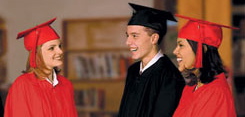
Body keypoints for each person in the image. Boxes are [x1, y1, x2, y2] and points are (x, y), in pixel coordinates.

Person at [118, 3, 185, 117]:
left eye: (135, 36)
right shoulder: (133, 71)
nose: (128, 42)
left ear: (154, 38)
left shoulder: (169, 76)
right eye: (127, 35)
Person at [4, 18, 78, 117]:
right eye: (52, 48)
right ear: (36, 54)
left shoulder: (66, 85)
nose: (60, 51)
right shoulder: (23, 85)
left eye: (59, 46)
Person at [172, 14, 237, 117]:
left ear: (202, 49)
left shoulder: (216, 92)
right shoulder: (190, 88)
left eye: (181, 45)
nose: (175, 51)